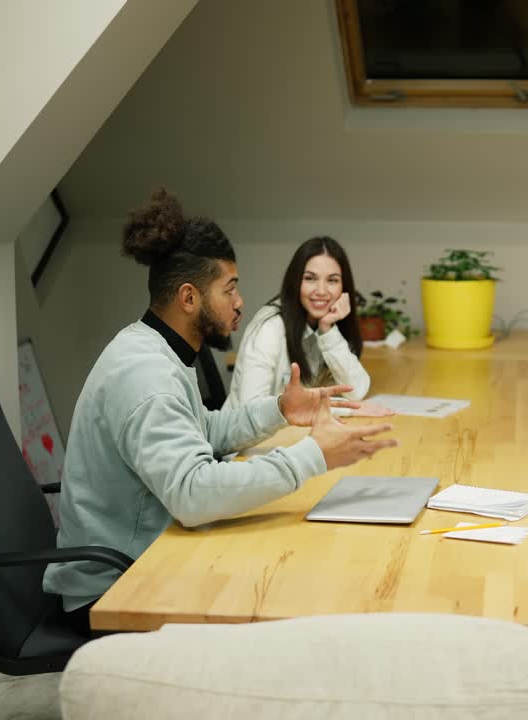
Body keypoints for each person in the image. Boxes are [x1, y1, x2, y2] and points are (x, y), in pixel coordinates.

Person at [43, 190, 397, 630]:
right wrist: (313, 456)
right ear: (189, 298)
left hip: (150, 555)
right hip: (114, 588)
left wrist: (280, 409)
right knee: (296, 589)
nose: (240, 302)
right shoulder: (147, 376)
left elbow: (201, 429)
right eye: (229, 289)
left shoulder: (155, 347)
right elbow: (192, 494)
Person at [226, 236, 389, 416]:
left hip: (291, 430)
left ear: (344, 287)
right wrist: (345, 410)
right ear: (295, 281)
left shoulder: (326, 322)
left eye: (332, 280)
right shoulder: (270, 328)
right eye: (310, 278)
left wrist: (328, 330)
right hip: (246, 433)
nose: (321, 291)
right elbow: (251, 411)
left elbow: (357, 390)